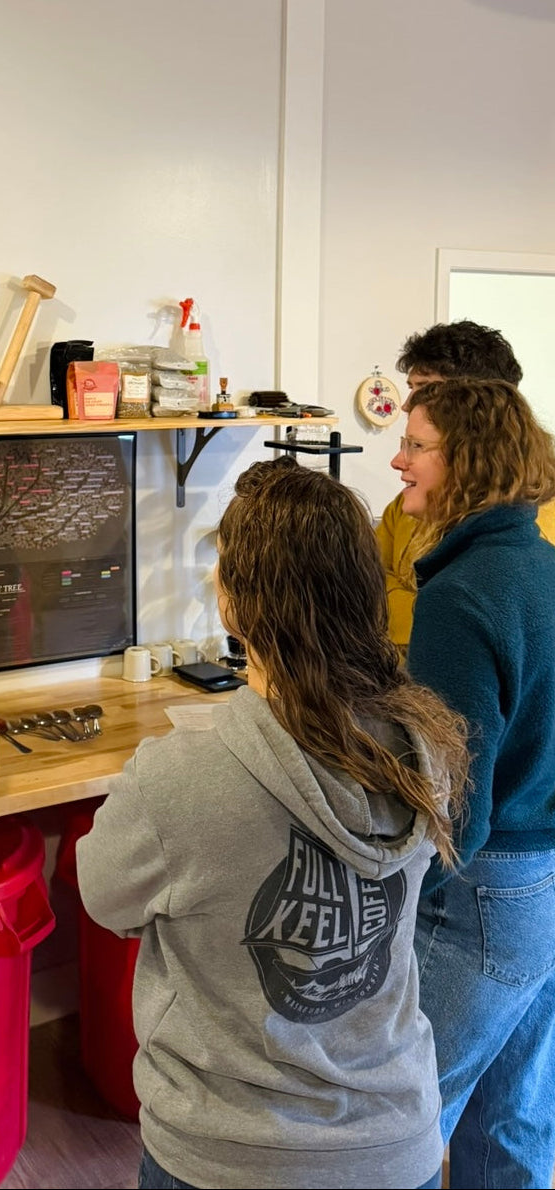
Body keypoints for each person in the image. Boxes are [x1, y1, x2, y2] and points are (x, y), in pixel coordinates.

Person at [76, 456, 468, 1190]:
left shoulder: (177, 775)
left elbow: (103, 900)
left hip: (224, 1156)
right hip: (394, 1147)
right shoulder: (427, 748)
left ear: (233, 605)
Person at [392, 378, 555, 1189]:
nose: (397, 460)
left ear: (467, 464)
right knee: (514, 1114)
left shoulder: (460, 594)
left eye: (415, 445)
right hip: (547, 883)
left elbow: (455, 805)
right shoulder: (542, 567)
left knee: (408, 1115)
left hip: (489, 898)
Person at [376, 319, 555, 653]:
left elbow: (461, 620)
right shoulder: (409, 505)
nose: (405, 403)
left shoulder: (533, 526)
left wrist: (415, 606)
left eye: (425, 388)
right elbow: (359, 583)